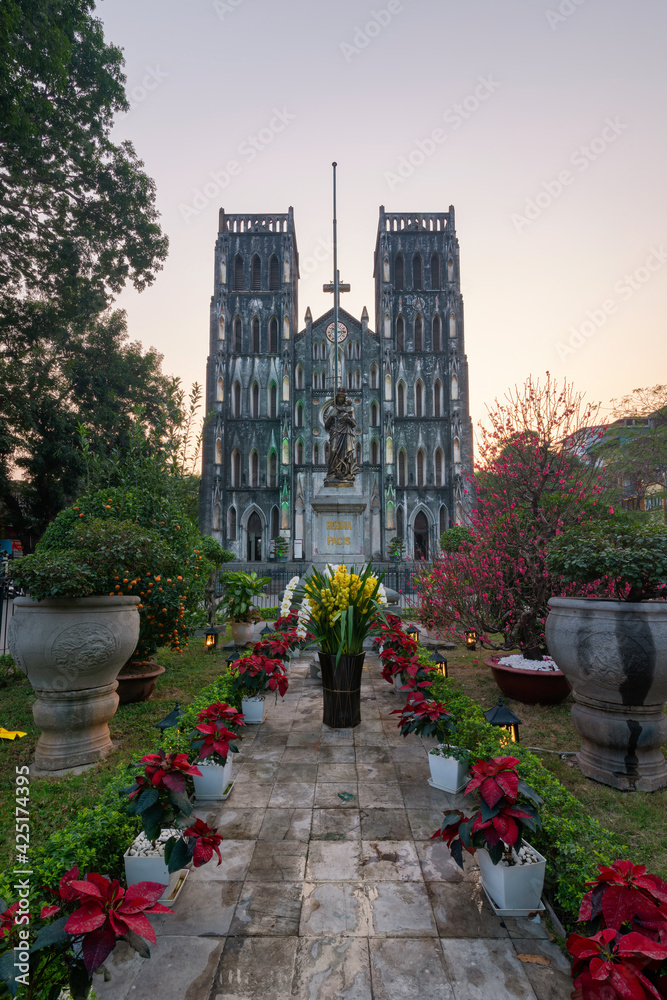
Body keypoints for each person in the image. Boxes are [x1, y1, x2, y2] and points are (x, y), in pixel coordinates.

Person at [323, 389, 358, 485]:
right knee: (333, 450)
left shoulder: (349, 409)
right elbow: (326, 426)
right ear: (336, 397)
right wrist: (330, 417)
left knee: (346, 454)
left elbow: (354, 423)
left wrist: (348, 420)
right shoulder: (331, 409)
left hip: (346, 433)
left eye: (343, 397)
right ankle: (332, 473)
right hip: (335, 432)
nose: (341, 399)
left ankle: (344, 473)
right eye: (340, 397)